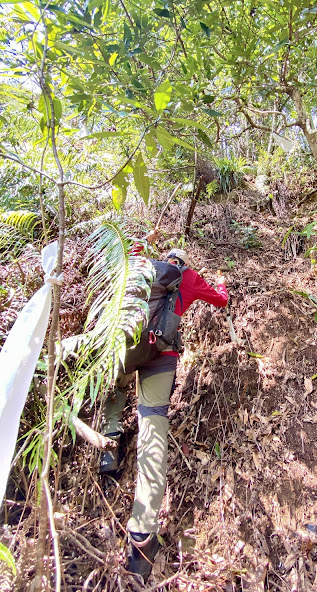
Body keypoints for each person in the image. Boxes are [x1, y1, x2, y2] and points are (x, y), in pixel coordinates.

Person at [100, 243, 228, 582]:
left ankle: (108, 449)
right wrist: (222, 282)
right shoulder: (187, 277)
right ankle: (142, 538)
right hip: (161, 357)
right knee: (152, 430)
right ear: (183, 263)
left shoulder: (141, 267)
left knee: (118, 387)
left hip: (125, 347)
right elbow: (221, 300)